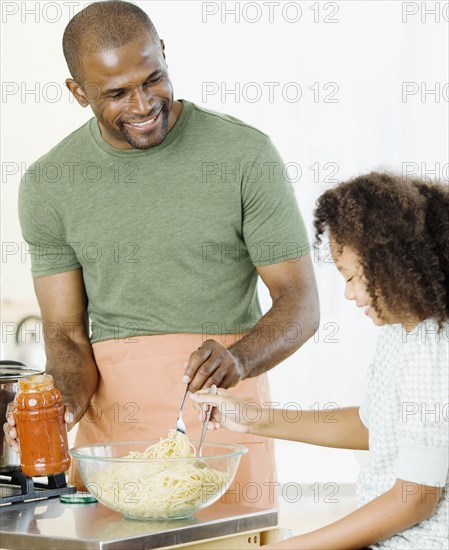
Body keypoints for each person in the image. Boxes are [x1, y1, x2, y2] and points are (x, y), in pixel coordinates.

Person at [4, 1, 319, 508]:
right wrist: (62, 404)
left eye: (153, 78)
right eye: (117, 93)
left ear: (165, 54)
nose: (144, 104)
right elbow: (65, 333)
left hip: (225, 424)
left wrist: (238, 359)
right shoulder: (49, 183)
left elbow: (300, 303)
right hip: (112, 448)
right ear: (78, 92)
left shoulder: (245, 154)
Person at [191, 172, 449, 548]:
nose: (347, 294)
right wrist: (254, 419)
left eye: (352, 277)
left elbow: (413, 501)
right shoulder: (401, 333)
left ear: (395, 266)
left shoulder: (433, 353)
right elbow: (377, 425)